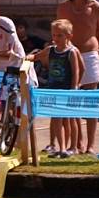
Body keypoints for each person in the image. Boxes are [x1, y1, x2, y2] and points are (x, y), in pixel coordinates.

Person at [57, 0, 99, 155]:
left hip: (89, 54)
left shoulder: (96, 7)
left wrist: (96, 48)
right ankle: (76, 143)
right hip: (69, 55)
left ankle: (90, 145)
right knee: (71, 99)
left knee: (91, 100)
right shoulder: (63, 7)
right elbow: (58, 29)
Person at [26, 20, 81, 158]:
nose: (56, 38)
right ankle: (61, 148)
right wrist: (28, 58)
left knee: (70, 118)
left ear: (69, 36)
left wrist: (75, 87)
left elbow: (76, 71)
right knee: (56, 118)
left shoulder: (71, 52)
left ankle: (73, 146)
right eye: (54, 35)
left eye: (59, 36)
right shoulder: (50, 50)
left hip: (67, 90)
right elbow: (36, 56)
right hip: (54, 89)